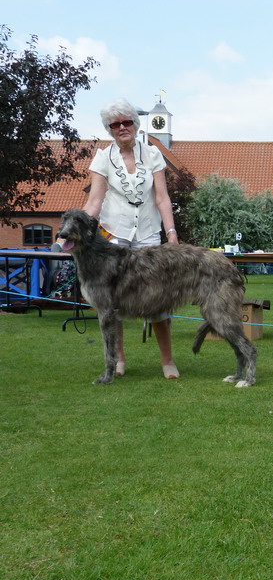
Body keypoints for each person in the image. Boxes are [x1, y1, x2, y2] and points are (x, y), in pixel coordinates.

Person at [81, 98, 180, 379]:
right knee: (114, 302)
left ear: (135, 125)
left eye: (127, 122)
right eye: (116, 124)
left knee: (157, 298)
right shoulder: (102, 158)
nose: (122, 127)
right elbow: (95, 201)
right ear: (109, 129)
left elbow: (162, 197)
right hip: (113, 236)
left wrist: (171, 233)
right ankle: (120, 360)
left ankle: (167, 360)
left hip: (148, 234)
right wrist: (77, 233)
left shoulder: (153, 155)